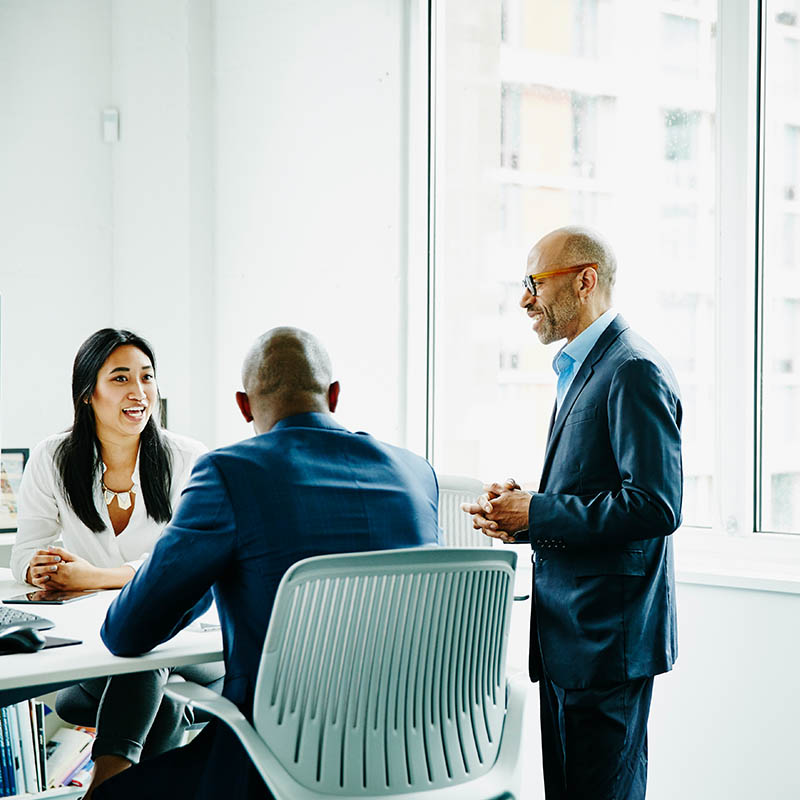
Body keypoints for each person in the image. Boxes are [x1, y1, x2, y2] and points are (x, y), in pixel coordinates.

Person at [93, 326, 441, 800]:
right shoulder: (417, 473)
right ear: (334, 396)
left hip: (272, 763)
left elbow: (126, 633)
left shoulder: (229, 472)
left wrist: (206, 569)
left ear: (243, 406)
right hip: (412, 756)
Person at [462, 226, 682, 800]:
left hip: (607, 642)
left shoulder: (633, 368)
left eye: (535, 282)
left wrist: (537, 513)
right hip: (571, 639)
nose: (524, 299)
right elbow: (595, 485)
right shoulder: (584, 367)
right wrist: (525, 508)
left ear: (585, 281)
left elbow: (655, 505)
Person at [11, 328, 223, 800]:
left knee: (146, 639)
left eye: (147, 378)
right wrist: (42, 569)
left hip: (188, 648)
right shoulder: (54, 456)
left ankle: (104, 787)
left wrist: (95, 578)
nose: (139, 392)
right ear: (89, 393)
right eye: (121, 378)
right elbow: (26, 550)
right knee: (162, 701)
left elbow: (183, 570)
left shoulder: (191, 459)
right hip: (98, 659)